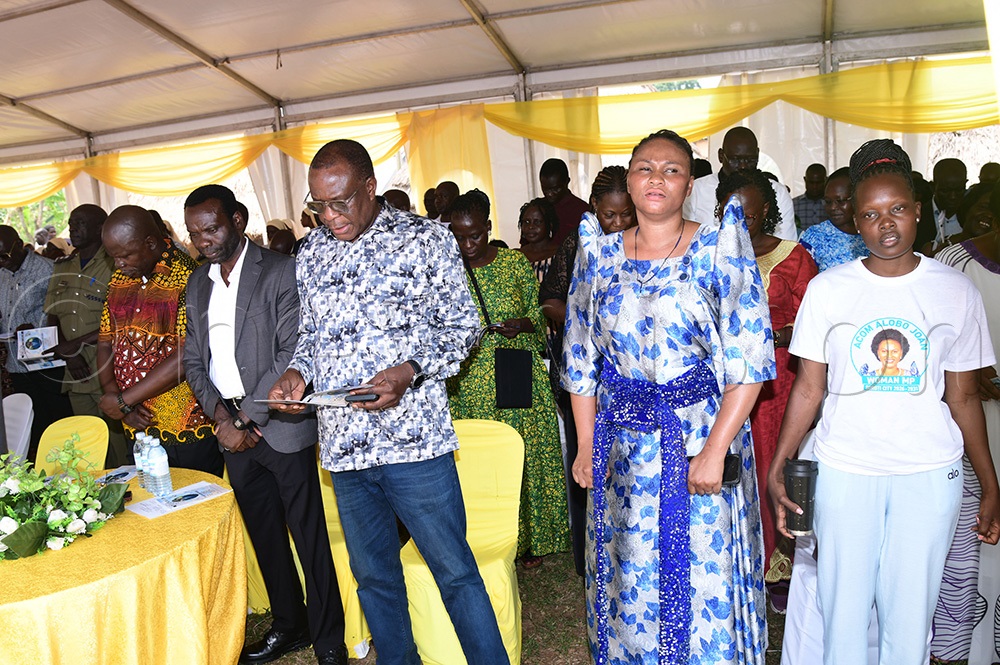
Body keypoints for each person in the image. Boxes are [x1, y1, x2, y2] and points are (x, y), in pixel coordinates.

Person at [267, 139, 508, 665]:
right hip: (345, 449)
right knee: (374, 578)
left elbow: (463, 326)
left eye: (341, 202)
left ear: (371, 187)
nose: (330, 216)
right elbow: (311, 337)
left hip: (414, 444)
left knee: (455, 573)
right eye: (318, 205)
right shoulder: (311, 253)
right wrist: (296, 373)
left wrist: (409, 371)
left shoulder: (426, 239)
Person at [767, 139, 1000, 665]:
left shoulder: (954, 289)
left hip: (929, 473)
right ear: (856, 222)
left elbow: (963, 396)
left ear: (917, 209)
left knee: (910, 620)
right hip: (845, 470)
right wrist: (781, 461)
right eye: (871, 214)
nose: (886, 224)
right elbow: (809, 387)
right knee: (842, 615)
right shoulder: (829, 289)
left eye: (897, 209)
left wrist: (989, 484)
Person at [563, 129, 775, 664]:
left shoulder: (720, 247)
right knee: (628, 565)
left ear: (689, 184)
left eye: (672, 169)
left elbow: (749, 360)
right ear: (629, 179)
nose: (656, 178)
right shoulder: (597, 254)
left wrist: (715, 450)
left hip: (700, 437)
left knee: (704, 566)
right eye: (645, 168)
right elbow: (581, 358)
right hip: (622, 445)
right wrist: (585, 443)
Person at [181, 184, 348, 665]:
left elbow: (291, 351)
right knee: (264, 534)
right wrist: (221, 416)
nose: (203, 241)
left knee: (307, 534)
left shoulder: (279, 269)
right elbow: (193, 359)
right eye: (195, 233)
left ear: (237, 220)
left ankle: (329, 638)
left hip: (279, 423)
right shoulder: (197, 283)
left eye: (211, 229)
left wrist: (246, 418)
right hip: (230, 429)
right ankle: (289, 625)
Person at [447, 189, 570, 569]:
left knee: (522, 455)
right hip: (468, 383)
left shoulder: (514, 263)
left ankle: (531, 539)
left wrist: (522, 324)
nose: (468, 245)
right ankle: (489, 538)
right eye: (459, 237)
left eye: (474, 235)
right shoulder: (446, 270)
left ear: (488, 227)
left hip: (515, 371)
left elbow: (537, 312)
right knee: (482, 462)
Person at [715, 169, 818, 603]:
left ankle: (781, 567)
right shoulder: (710, 255)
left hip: (779, 384)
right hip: (724, 381)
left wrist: (770, 335)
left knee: (777, 466)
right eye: (731, 211)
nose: (740, 219)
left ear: (767, 211)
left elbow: (813, 327)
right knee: (732, 468)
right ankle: (739, 562)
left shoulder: (795, 258)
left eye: (749, 212)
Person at [539, 164, 635, 577]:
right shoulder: (579, 244)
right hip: (585, 373)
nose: (618, 223)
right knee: (588, 458)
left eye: (626, 213)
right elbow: (550, 299)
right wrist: (587, 320)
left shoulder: (645, 243)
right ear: (594, 207)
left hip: (631, 381)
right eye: (609, 214)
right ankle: (589, 557)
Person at [97, 206, 220, 476]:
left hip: (185, 428)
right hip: (136, 425)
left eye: (125, 255)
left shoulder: (189, 277)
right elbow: (106, 341)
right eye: (113, 256)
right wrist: (117, 401)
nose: (118, 264)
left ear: (150, 243)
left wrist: (124, 401)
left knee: (193, 499)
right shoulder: (119, 279)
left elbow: (186, 356)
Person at [932, 185, 1000, 664]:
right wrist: (971, 369)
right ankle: (972, 647)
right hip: (972, 419)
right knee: (977, 528)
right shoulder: (955, 264)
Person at [44, 204, 127, 467]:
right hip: (75, 370)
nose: (72, 228)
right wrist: (68, 353)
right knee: (87, 442)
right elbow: (53, 315)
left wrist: (75, 346)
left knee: (119, 443)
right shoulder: (63, 266)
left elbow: (122, 320)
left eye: (80, 223)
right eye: (71, 223)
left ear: (101, 228)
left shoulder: (116, 264)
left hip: (107, 366)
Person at [0, 225, 73, 459]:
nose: (1, 262)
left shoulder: (48, 270)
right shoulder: (1, 272)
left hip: (47, 363)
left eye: (4, 255)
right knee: (34, 426)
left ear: (19, 244)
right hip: (16, 364)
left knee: (60, 422)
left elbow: (64, 314)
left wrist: (36, 328)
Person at [683, 126, 798, 240]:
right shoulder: (696, 190)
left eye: (750, 160)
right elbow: (686, 240)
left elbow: (786, 244)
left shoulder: (778, 192)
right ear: (721, 156)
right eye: (735, 160)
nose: (743, 166)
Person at [799, 166, 870, 271]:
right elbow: (802, 277)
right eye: (828, 202)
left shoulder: (873, 232)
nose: (833, 207)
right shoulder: (815, 236)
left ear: (859, 198)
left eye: (840, 201)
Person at [922, 182, 998, 256]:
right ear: (968, 207)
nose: (990, 215)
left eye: (996, 212)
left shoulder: (996, 256)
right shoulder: (934, 249)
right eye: (984, 207)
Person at [916, 158, 968, 251]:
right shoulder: (917, 217)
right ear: (933, 187)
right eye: (945, 191)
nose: (953, 196)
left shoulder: (972, 215)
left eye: (959, 190)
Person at [539, 158, 591, 245]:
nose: (550, 194)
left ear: (567, 182)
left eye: (556, 189)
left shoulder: (582, 211)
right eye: (545, 188)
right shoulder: (537, 209)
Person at [516, 197, 560, 282]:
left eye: (537, 222)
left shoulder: (559, 255)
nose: (531, 227)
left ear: (550, 225)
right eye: (526, 222)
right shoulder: (515, 256)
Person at [793, 163, 828, 231]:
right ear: (805, 180)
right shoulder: (794, 205)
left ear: (826, 180)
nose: (815, 186)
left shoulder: (832, 205)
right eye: (811, 182)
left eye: (818, 183)